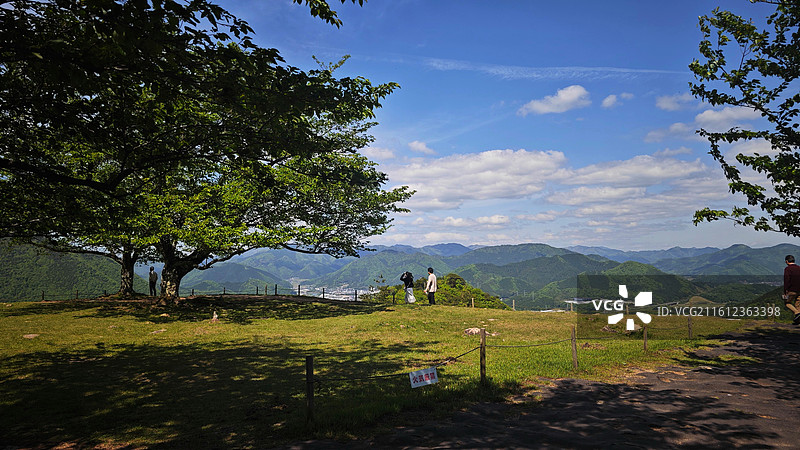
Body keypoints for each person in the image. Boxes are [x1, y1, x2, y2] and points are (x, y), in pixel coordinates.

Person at [783, 255, 800, 324]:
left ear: (786, 261)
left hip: (792, 290)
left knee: (787, 303)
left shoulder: (788, 269)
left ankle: (797, 313)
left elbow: (787, 280)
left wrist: (785, 291)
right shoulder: (799, 268)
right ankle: (798, 320)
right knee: (798, 304)